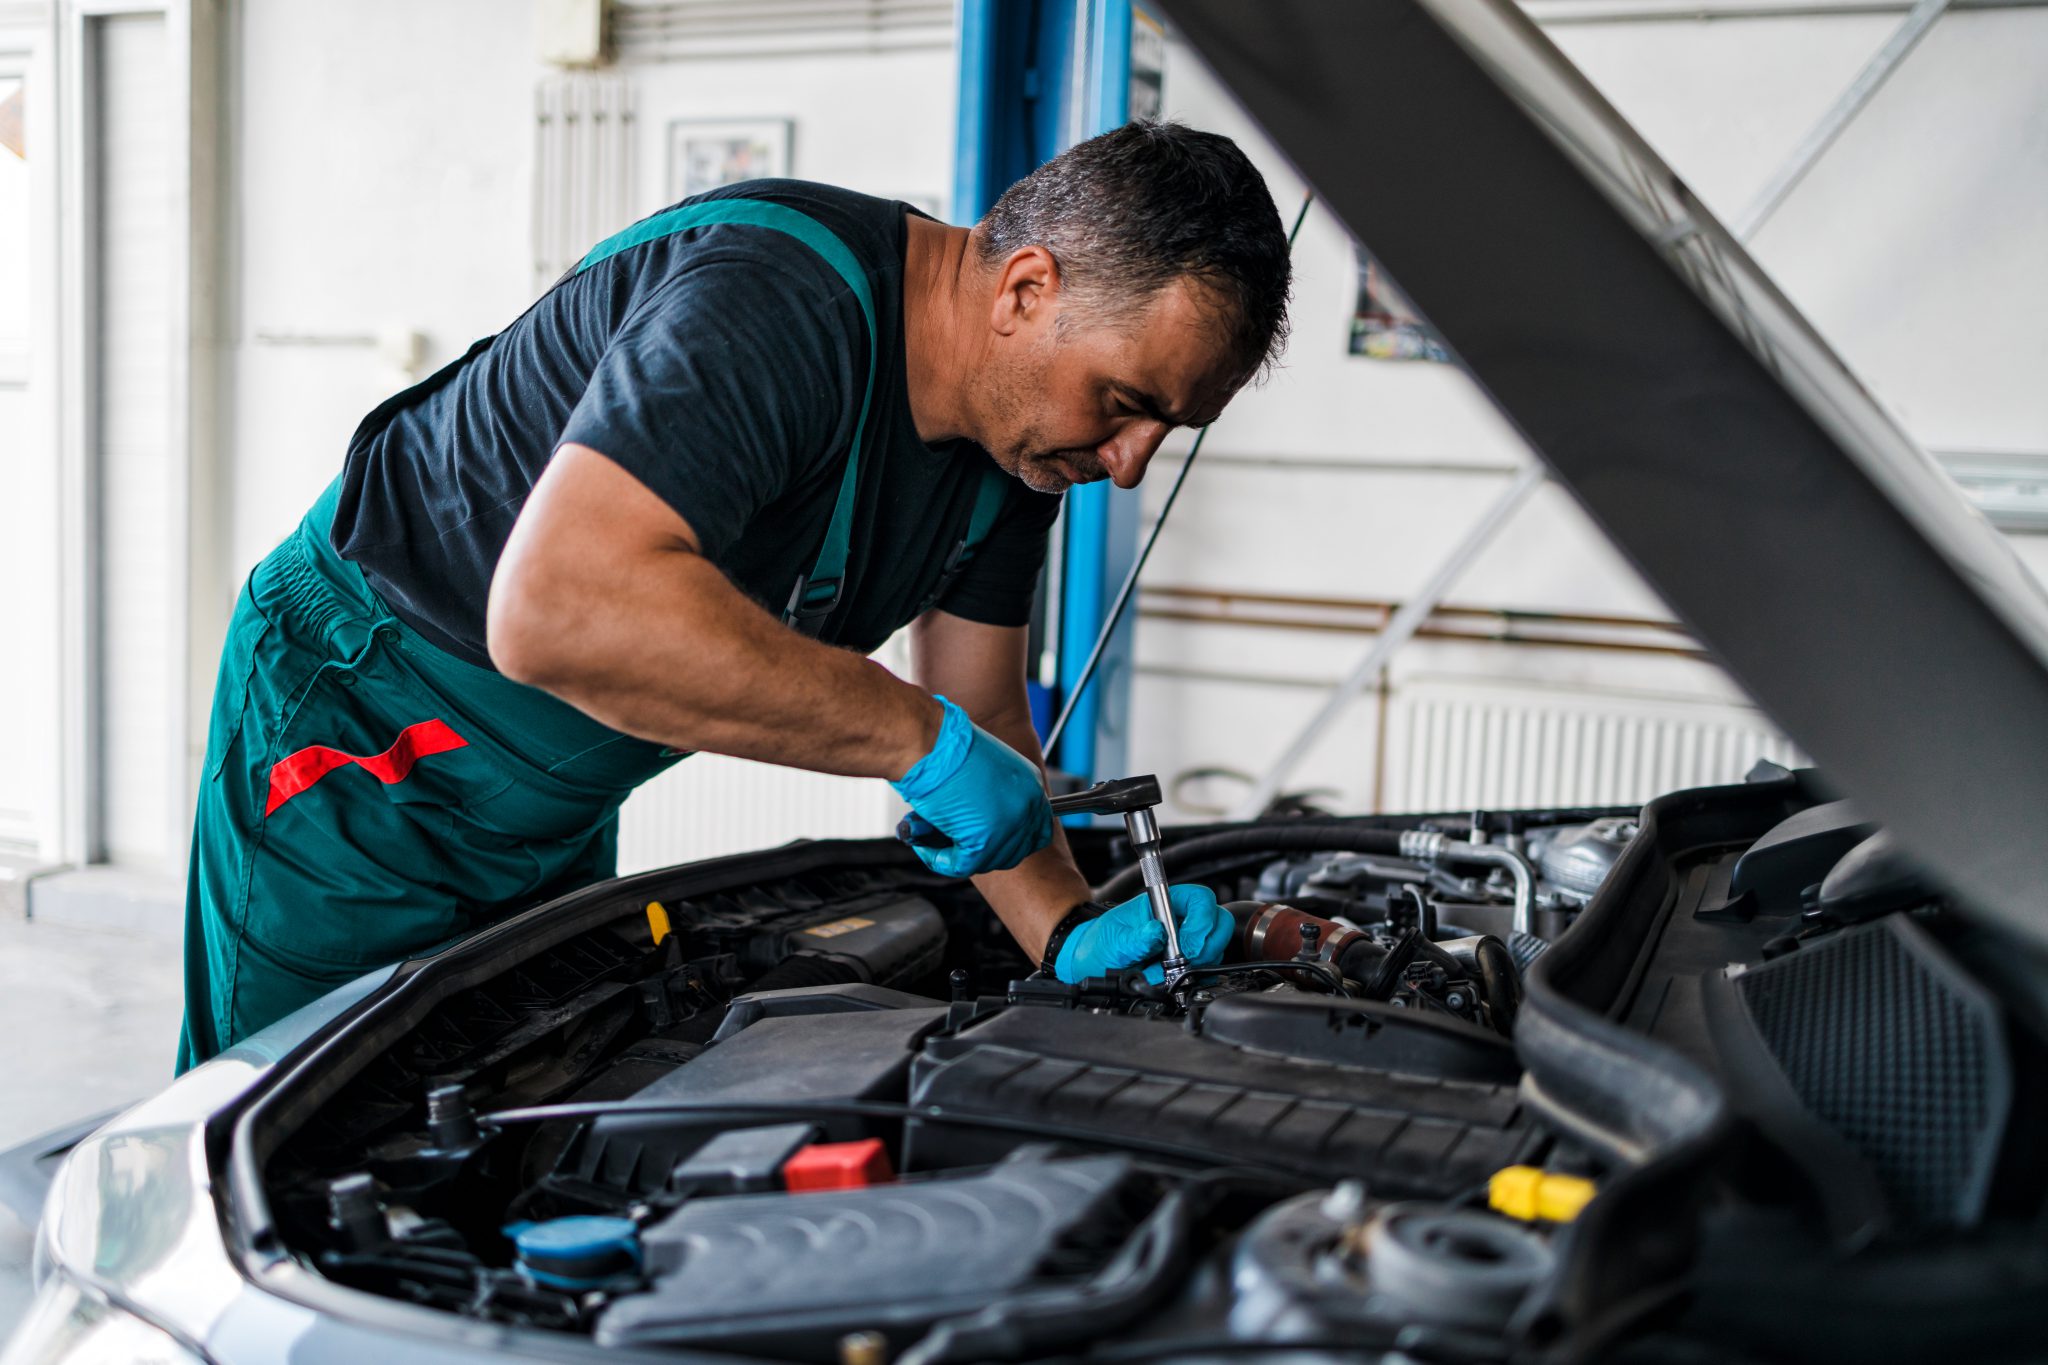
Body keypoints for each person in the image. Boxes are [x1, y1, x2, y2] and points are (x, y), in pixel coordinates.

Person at [176, 120, 1292, 1071]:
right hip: (360, 737)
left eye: (1167, 430)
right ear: (1025, 289)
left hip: (557, 789)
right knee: (289, 1121)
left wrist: (1070, 929)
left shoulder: (1018, 457)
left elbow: (983, 727)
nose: (1131, 462)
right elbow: (560, 609)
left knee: (499, 1094)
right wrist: (911, 738)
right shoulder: (779, 299)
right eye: (1122, 400)